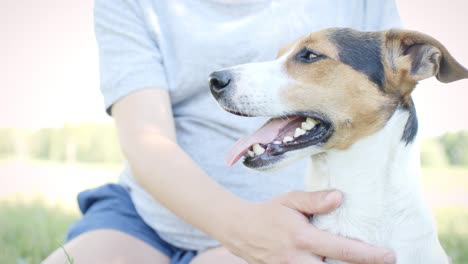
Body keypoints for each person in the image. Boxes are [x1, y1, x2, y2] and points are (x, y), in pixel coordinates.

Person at [44, 1, 402, 263]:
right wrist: (246, 230)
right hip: (143, 220)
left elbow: (390, 113)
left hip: (293, 228)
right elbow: (145, 139)